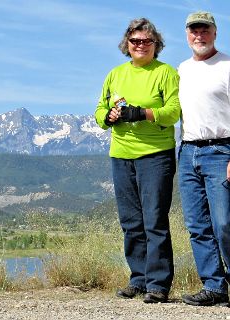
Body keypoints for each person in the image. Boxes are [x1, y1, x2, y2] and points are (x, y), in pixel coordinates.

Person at [95, 18, 180, 303]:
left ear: (156, 45)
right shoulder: (115, 74)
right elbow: (100, 110)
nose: (140, 45)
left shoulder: (165, 73)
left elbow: (173, 112)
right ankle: (139, 279)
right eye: (135, 41)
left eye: (147, 41)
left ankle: (158, 284)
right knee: (131, 222)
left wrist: (143, 113)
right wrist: (108, 117)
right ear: (126, 44)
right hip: (121, 154)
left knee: (154, 220)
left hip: (155, 155)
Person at [178, 11, 230, 307]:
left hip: (221, 150)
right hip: (187, 152)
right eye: (193, 30)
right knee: (197, 224)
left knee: (224, 223)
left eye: (204, 30)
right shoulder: (182, 69)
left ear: (215, 32)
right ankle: (214, 287)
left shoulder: (227, 65)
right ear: (187, 35)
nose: (199, 35)